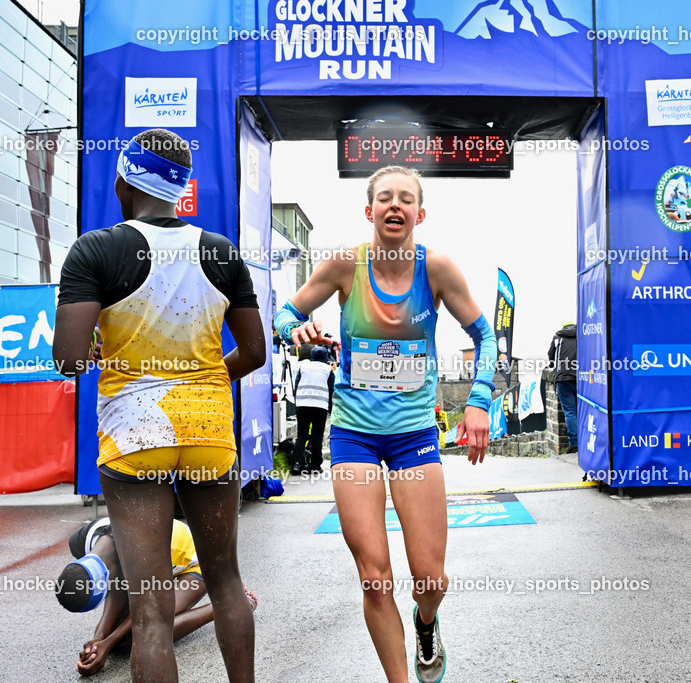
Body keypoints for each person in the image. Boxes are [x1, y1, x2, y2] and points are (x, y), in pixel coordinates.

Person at [53, 128, 266, 683]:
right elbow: (255, 352)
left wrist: (97, 351)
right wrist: (200, 380)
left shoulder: (94, 249)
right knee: (225, 582)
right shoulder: (222, 252)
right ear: (179, 191)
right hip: (209, 430)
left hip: (134, 437)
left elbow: (69, 360)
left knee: (149, 613)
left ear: (122, 182)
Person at [273, 165, 493, 683]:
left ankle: (426, 621)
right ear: (369, 211)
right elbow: (284, 312)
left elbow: (485, 336)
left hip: (415, 435)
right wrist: (296, 329)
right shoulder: (344, 265)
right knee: (374, 578)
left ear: (420, 212)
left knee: (429, 578)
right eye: (385, 198)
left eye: (406, 199)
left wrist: (478, 400)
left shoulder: (436, 270)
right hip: (354, 437)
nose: (396, 206)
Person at [56, 517, 258, 676]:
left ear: (111, 571)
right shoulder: (80, 541)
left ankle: (228, 603)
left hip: (196, 566)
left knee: (139, 637)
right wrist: (97, 639)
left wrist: (107, 643)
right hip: (151, 568)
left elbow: (148, 604)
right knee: (117, 638)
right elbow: (117, 590)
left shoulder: (141, 553)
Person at [291, 345, 335, 474]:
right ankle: (315, 465)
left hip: (302, 405)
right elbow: (331, 390)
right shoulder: (328, 369)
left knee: (302, 435)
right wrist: (330, 409)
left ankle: (297, 464)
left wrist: (297, 402)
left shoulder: (303, 367)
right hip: (320, 407)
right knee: (317, 436)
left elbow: (296, 385)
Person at [548, 322, 578, 453]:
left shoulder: (557, 337)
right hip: (582, 378)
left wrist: (552, 365)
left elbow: (551, 356)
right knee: (584, 410)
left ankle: (574, 443)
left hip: (563, 379)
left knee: (570, 412)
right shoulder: (582, 335)